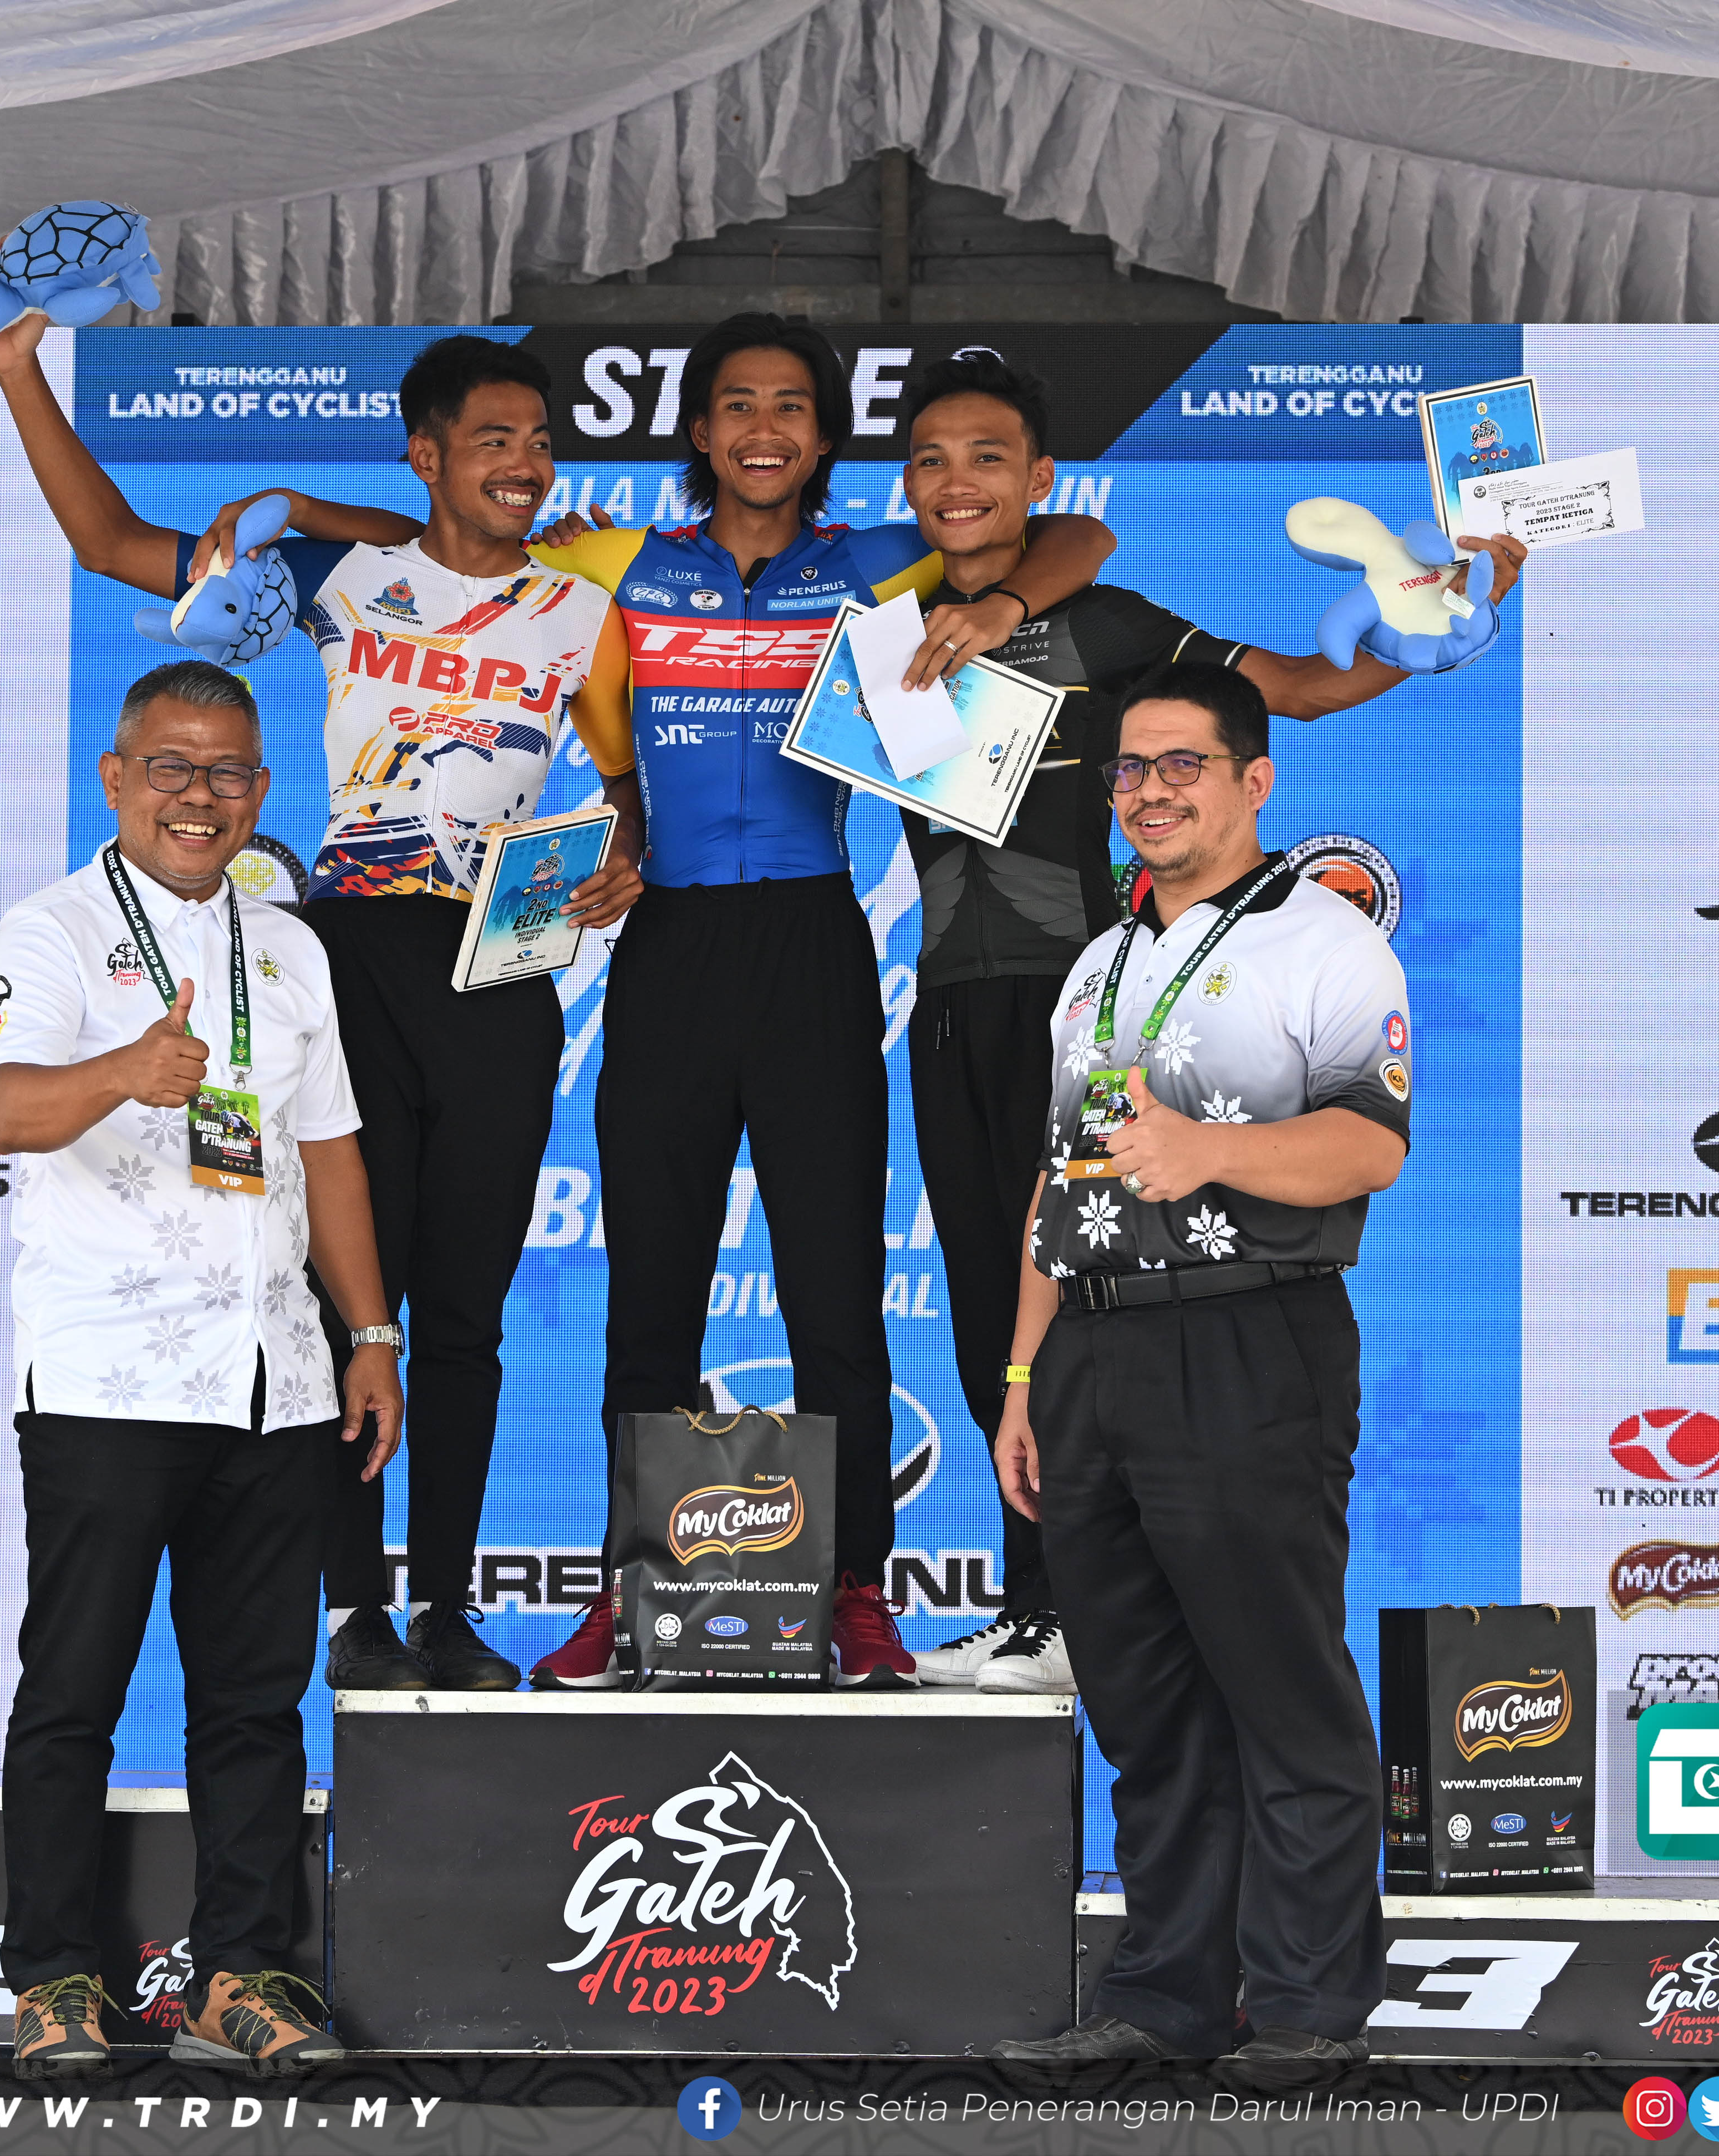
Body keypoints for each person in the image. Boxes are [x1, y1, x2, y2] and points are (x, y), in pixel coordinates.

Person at [198, 317, 1113, 1690]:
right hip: (670, 943)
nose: (764, 429)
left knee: (835, 1296)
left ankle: (857, 1595)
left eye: (792, 407)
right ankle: (637, 1592)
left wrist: (995, 609)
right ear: (698, 432)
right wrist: (297, 511)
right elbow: (440, 538)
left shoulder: (880, 561)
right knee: (652, 1297)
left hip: (812, 942)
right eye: (737, 404)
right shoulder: (616, 562)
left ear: (825, 436)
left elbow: (1080, 540)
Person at [0, 316, 642, 1693]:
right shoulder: (347, 577)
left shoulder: (586, 606)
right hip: (351, 957)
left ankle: (444, 1606)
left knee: (466, 1313)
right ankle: (354, 1610)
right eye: (494, 439)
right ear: (427, 456)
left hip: (502, 965)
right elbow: (111, 543)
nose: (525, 464)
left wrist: (621, 858)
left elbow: (630, 790)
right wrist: (17, 370)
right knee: (350, 1295)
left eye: (539, 441)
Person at [883, 353, 1520, 1695]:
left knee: (1105, 1289)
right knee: (1001, 1301)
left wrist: (1434, 617)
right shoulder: (885, 625)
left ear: (1037, 475)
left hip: (1092, 1000)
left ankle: (1082, 1610)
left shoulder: (1106, 620)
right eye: (932, 458)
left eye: (990, 455)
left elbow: (1297, 686)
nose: (959, 480)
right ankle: (1034, 1602)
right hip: (946, 1012)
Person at [0, 659, 401, 2078]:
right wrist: (123, 1072)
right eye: (171, 767)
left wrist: (371, 1335)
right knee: (73, 1694)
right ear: (117, 778)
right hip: (107, 1377)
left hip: (273, 1378)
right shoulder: (50, 930)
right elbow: (7, 1109)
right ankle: (52, 1980)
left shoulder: (290, 950)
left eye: (226, 773)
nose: (198, 797)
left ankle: (242, 1977)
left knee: (255, 1703)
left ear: (261, 792)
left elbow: (328, 1152)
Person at [986, 663, 1412, 2077]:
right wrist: (1024, 1379)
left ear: (1254, 780)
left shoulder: (1324, 940)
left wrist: (1209, 1149)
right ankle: (1167, 1995)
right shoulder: (1098, 963)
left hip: (1250, 1337)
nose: (1151, 792)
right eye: (1130, 769)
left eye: (1183, 764)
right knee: (1147, 1704)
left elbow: (1371, 1149)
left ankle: (1305, 2006)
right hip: (1092, 1353)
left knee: (1280, 1689)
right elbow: (1059, 1182)